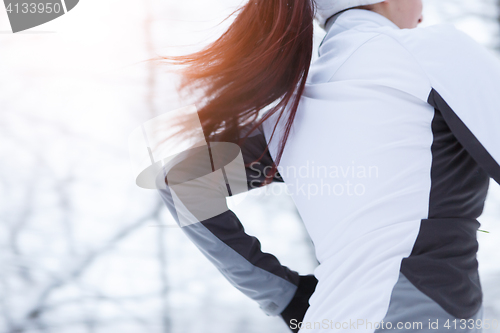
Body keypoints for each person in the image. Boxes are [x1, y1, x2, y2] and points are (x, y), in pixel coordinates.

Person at [154, 0, 500, 332]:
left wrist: (285, 297)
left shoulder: (288, 114)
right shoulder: (432, 51)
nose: (423, 10)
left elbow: (183, 180)